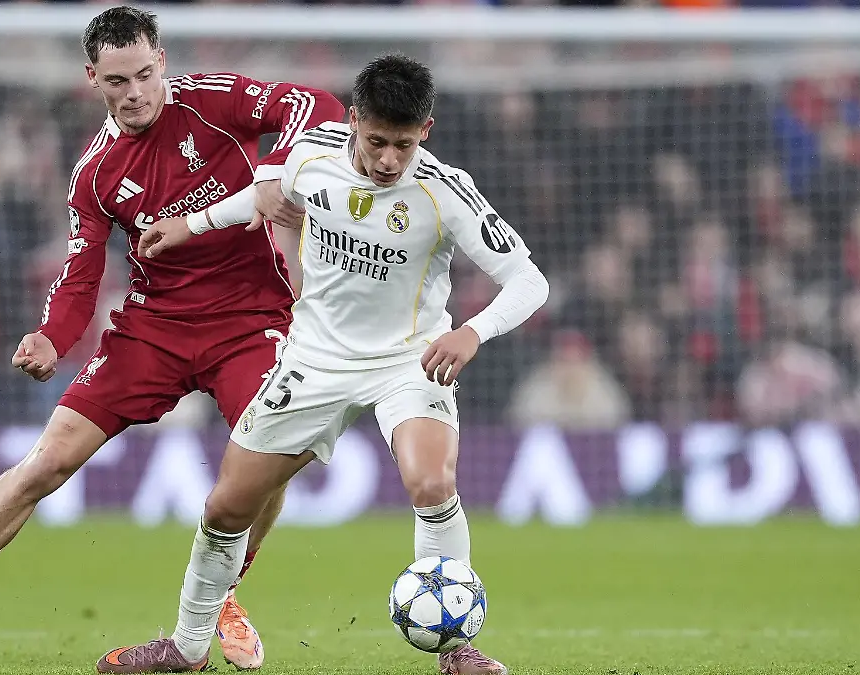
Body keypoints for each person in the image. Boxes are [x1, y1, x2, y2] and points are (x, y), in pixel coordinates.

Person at [0, 6, 344, 672]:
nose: (136, 92)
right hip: (153, 328)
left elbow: (314, 101)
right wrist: (50, 338)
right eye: (118, 80)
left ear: (163, 63)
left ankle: (223, 596)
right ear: (92, 78)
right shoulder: (94, 171)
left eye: (145, 74)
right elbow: (79, 278)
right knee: (47, 461)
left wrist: (274, 171)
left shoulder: (213, 101)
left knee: (268, 453)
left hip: (251, 317)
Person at [99, 54, 549, 675]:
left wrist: (472, 331)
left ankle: (456, 650)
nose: (389, 159)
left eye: (404, 144)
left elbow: (529, 281)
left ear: (428, 130)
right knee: (227, 508)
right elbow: (256, 199)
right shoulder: (310, 152)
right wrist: (188, 225)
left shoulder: (446, 192)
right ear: (355, 120)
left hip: (406, 360)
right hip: (312, 359)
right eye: (376, 141)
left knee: (432, 483)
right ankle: (186, 647)